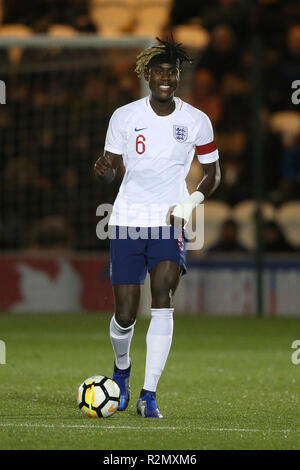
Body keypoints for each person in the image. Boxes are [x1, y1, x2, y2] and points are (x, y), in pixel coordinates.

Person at [93, 37, 221, 418]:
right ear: (147, 75)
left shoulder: (196, 120)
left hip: (169, 221)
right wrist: (102, 169)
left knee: (162, 297)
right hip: (128, 220)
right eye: (159, 72)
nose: (166, 78)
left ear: (178, 78)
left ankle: (148, 395)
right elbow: (111, 167)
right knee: (127, 313)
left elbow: (213, 175)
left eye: (172, 73)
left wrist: (189, 203)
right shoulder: (124, 116)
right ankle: (122, 369)